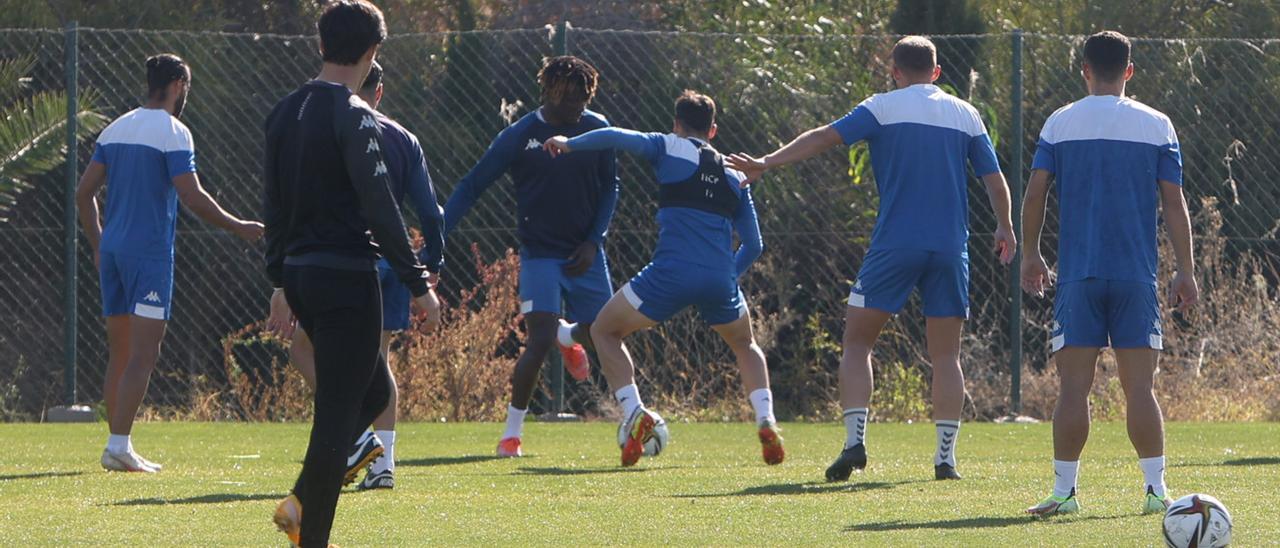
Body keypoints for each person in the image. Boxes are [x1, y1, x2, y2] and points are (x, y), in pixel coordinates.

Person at [727, 36, 1016, 482]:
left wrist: (767, 161)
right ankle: (945, 460)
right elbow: (994, 180)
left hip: (895, 245)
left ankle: (854, 443)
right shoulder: (966, 114)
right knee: (946, 356)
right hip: (948, 247)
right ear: (936, 72)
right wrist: (1005, 226)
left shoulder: (881, 106)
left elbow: (823, 136)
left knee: (858, 341)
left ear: (894, 70)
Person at [261, 2, 441, 545]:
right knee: (340, 411)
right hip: (346, 277)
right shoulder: (355, 113)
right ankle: (308, 531)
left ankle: (300, 499)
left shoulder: (283, 111)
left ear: (321, 45)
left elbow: (273, 206)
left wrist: (277, 281)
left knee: (370, 392)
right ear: (372, 53)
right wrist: (419, 285)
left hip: (300, 275)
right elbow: (382, 210)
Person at [543, 90, 781, 467]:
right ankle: (766, 420)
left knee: (605, 330)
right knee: (745, 345)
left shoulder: (666, 145)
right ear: (713, 130)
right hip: (720, 279)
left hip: (670, 274)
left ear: (676, 124)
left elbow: (615, 136)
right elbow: (754, 244)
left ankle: (635, 412)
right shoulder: (736, 175)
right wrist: (725, 278)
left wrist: (569, 143)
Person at [1022, 30, 1196, 517]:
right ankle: (1156, 492)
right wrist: (1185, 269)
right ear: (1130, 71)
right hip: (1135, 275)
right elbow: (1174, 201)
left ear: (1084, 70)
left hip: (1079, 275)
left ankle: (1063, 494)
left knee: (1072, 388)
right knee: (1141, 388)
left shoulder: (1060, 122)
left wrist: (1033, 254)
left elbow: (1035, 194)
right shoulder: (1157, 125)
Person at [75, 53, 263, 473]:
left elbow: (83, 193)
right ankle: (118, 447)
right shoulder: (175, 132)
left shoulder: (116, 127)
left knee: (119, 353)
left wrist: (97, 243)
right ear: (178, 84)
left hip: (114, 253)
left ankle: (117, 442)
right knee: (145, 352)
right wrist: (239, 226)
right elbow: (192, 196)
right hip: (149, 256)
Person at [280, 60, 446, 491]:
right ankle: (381, 460)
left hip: (352, 259)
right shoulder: (404, 138)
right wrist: (431, 265)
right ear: (381, 91)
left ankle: (357, 435)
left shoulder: (337, 125)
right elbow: (431, 211)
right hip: (396, 258)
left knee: (305, 349)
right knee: (378, 357)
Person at [443, 55, 620, 458]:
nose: (575, 106)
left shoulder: (597, 128)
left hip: (586, 253)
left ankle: (571, 339)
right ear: (548, 93)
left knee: (604, 334)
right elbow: (471, 186)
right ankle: (512, 434)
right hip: (540, 253)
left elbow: (611, 188)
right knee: (537, 341)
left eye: (582, 98)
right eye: (567, 98)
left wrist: (594, 240)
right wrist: (438, 237)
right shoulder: (520, 136)